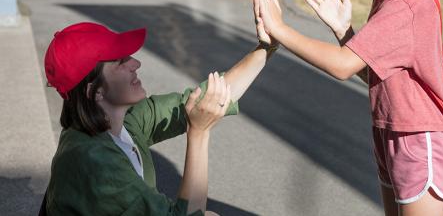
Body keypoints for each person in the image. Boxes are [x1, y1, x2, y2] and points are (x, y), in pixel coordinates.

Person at [251, 0, 443, 214]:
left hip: (420, 139)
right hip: (391, 131)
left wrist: (280, 29)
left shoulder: (409, 1)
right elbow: (375, 73)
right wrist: (344, 31)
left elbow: (342, 66)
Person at [42, 18, 278, 215]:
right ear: (94, 91)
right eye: (120, 61)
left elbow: (203, 100)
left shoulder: (123, 122)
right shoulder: (96, 165)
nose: (136, 62)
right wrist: (199, 133)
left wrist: (267, 45)